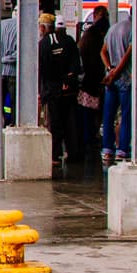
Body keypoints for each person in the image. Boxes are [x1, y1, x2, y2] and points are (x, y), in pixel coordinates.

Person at [38, 12, 80, 163]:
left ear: (43, 27)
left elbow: (42, 69)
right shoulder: (69, 40)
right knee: (71, 123)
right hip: (69, 89)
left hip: (52, 90)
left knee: (55, 123)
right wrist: (68, 79)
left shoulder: (43, 44)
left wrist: (43, 91)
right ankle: (73, 153)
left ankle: (55, 155)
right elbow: (76, 65)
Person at [75, 6, 109, 162]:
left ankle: (90, 139)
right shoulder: (92, 38)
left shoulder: (87, 36)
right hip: (91, 82)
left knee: (90, 113)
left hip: (90, 82)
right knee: (90, 113)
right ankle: (90, 140)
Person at [100, 10, 134, 162]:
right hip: (125, 77)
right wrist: (117, 72)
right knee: (126, 115)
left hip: (111, 78)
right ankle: (122, 149)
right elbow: (129, 54)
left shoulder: (113, 28)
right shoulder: (134, 29)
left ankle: (107, 149)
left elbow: (103, 51)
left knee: (108, 115)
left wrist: (109, 69)